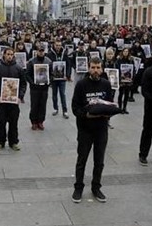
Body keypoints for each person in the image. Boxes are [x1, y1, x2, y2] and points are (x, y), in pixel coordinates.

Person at [71, 57, 112, 203]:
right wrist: (86, 114)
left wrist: (108, 114)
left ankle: (96, 187)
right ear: (89, 68)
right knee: (82, 159)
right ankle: (78, 187)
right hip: (85, 129)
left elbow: (110, 103)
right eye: (93, 67)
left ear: (102, 68)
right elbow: (75, 107)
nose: (95, 70)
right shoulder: (81, 85)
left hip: (101, 129)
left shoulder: (106, 84)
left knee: (99, 161)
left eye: (98, 67)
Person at [0, 48, 27, 151]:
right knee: (1, 123)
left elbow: (23, 84)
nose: (10, 56)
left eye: (11, 54)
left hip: (14, 102)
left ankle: (13, 142)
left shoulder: (18, 68)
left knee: (13, 123)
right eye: (8, 54)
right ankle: (0, 142)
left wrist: (20, 96)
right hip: (2, 101)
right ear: (4, 55)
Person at [26, 45, 52, 130]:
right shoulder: (31, 62)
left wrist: (49, 82)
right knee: (34, 104)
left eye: (42, 51)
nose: (41, 52)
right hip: (34, 87)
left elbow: (51, 74)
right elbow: (27, 74)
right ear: (36, 51)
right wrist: (32, 83)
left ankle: (40, 121)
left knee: (42, 105)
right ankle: (33, 121)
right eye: (39, 51)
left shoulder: (48, 61)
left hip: (44, 87)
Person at [48, 40, 71, 119]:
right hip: (54, 78)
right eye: (57, 45)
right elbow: (48, 66)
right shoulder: (49, 54)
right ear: (54, 45)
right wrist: (50, 76)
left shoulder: (64, 54)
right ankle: (55, 108)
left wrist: (67, 75)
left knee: (62, 94)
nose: (58, 47)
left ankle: (65, 110)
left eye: (59, 45)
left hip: (62, 78)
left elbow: (68, 64)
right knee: (54, 94)